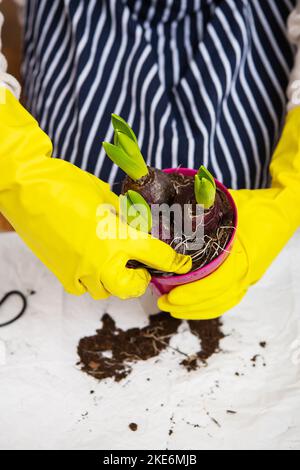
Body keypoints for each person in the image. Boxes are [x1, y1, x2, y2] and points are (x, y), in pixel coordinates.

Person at [0, 0, 300, 319]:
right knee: (91, 204)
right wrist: (18, 169)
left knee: (228, 201)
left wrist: (290, 193)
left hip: (251, 18)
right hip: (78, 15)